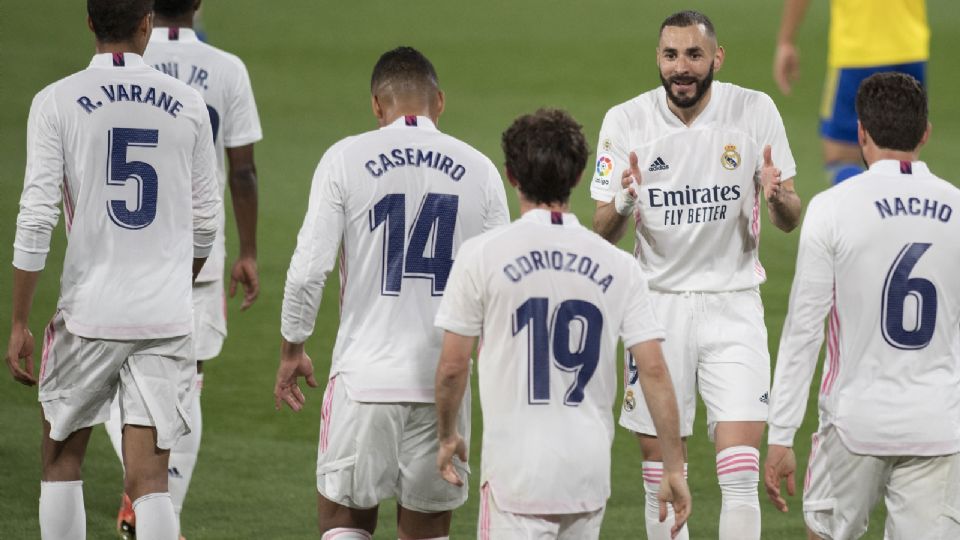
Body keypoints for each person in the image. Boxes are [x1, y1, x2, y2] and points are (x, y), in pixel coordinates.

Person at [273, 46, 509, 540]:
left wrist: (293, 347)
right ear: (439, 102)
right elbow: (501, 285)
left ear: (377, 107)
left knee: (343, 525)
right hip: (443, 387)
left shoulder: (345, 158)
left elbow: (308, 269)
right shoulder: (481, 170)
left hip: (364, 381)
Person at [4, 0, 220, 538]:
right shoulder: (188, 103)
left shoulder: (55, 101)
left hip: (89, 315)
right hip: (165, 318)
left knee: (61, 459)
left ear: (89, 23)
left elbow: (35, 219)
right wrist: (176, 284)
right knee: (151, 479)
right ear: (146, 24)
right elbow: (207, 224)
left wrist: (19, 322)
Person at [590, 10, 802, 540]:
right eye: (670, 56)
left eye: (693, 55)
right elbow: (601, 230)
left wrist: (778, 197)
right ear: (658, 59)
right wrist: (623, 199)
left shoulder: (754, 111)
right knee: (661, 469)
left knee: (739, 470)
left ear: (716, 57)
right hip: (656, 309)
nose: (681, 68)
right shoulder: (626, 121)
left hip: (734, 302)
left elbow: (789, 217)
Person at [433, 108, 691, 539]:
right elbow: (655, 370)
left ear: (511, 176)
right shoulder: (618, 265)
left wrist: (446, 435)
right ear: (577, 176)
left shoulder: (482, 256)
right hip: (586, 473)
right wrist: (672, 465)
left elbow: (453, 366)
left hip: (516, 472)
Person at [764, 72, 960, 539]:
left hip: (853, 424)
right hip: (940, 426)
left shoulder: (833, 208)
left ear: (861, 134)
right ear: (925, 133)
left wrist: (781, 434)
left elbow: (804, 330)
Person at [102, 0, 263, 536]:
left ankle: (141, 497)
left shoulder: (121, 67)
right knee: (185, 382)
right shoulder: (226, 68)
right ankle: (156, 504)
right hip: (197, 254)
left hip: (122, 251)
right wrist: (248, 250)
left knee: (108, 372)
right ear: (198, 4)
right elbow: (242, 173)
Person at [773, 0, 929, 184]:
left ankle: (863, 210)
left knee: (840, 157)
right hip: (911, 47)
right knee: (901, 156)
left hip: (859, 51)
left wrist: (786, 41)